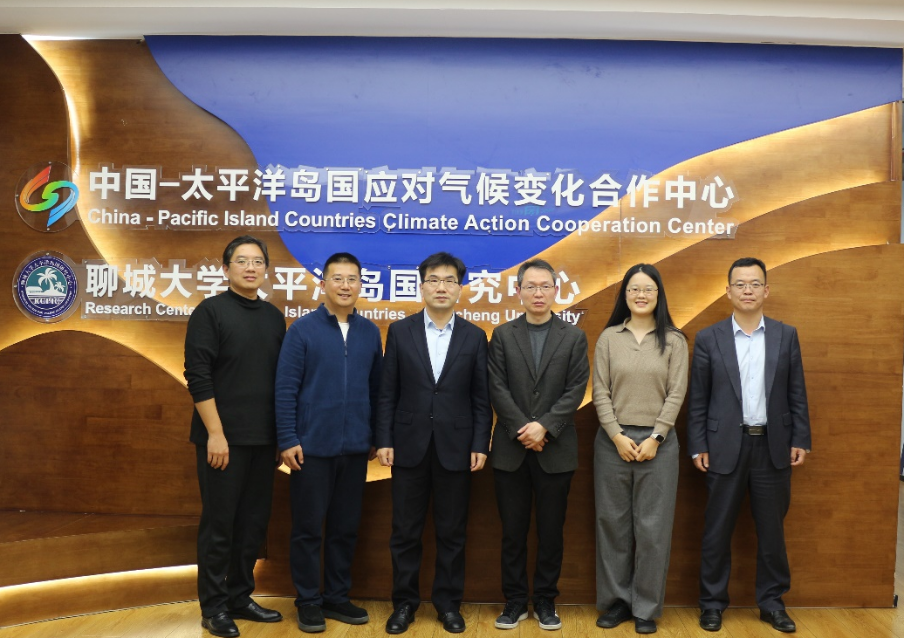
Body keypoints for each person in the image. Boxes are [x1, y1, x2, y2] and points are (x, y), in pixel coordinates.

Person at [687, 257, 811, 634]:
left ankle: (772, 603)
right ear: (728, 291)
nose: (747, 290)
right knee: (717, 531)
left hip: (773, 446)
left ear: (766, 291)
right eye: (740, 284)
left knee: (772, 533)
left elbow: (797, 391)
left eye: (755, 284)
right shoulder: (709, 338)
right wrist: (697, 444)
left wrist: (800, 437)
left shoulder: (785, 335)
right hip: (723, 446)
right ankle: (712, 604)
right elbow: (698, 399)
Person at [375, 252, 492, 635]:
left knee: (452, 532)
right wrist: (384, 438)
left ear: (460, 288)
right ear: (421, 286)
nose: (442, 287)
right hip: (407, 445)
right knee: (405, 531)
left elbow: (480, 397)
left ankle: (448, 605)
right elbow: (388, 392)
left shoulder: (475, 336)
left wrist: (480, 443)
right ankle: (404, 604)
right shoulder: (400, 331)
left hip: (456, 448)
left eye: (449, 280)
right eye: (434, 280)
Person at [184, 235, 286, 638]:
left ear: (266, 270)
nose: (250, 267)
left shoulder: (273, 317)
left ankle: (240, 597)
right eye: (242, 261)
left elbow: (279, 381)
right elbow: (198, 375)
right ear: (226, 269)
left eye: (257, 261)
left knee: (252, 524)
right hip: (221, 442)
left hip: (263, 440)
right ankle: (213, 607)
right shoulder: (210, 312)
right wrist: (215, 433)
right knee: (220, 525)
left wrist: (279, 438)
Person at [275, 253, 383, 633]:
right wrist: (288, 438)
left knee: (344, 528)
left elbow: (377, 390)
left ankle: (337, 597)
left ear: (360, 285)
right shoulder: (302, 330)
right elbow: (285, 389)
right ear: (323, 284)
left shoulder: (370, 332)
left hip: (355, 450)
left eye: (352, 279)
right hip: (310, 450)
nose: (345, 286)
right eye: (337, 278)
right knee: (308, 529)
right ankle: (308, 601)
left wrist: (375, 436)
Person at [487, 259, 590, 631]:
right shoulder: (502, 335)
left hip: (555, 450)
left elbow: (576, 388)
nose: (538, 293)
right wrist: (523, 428)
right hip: (510, 450)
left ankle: (546, 600)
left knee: (551, 532)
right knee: (512, 532)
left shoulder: (573, 337)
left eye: (545, 286)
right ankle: (515, 601)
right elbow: (496, 387)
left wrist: (544, 426)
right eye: (530, 286)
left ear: (556, 291)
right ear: (518, 292)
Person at [592, 263, 688, 635]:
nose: (641, 295)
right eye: (634, 289)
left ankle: (645, 607)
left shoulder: (674, 340)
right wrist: (616, 435)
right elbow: (600, 391)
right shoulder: (609, 338)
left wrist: (656, 437)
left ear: (659, 295)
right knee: (613, 525)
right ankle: (617, 602)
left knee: (653, 529)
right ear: (625, 295)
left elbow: (677, 393)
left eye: (648, 289)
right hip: (612, 443)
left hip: (658, 445)